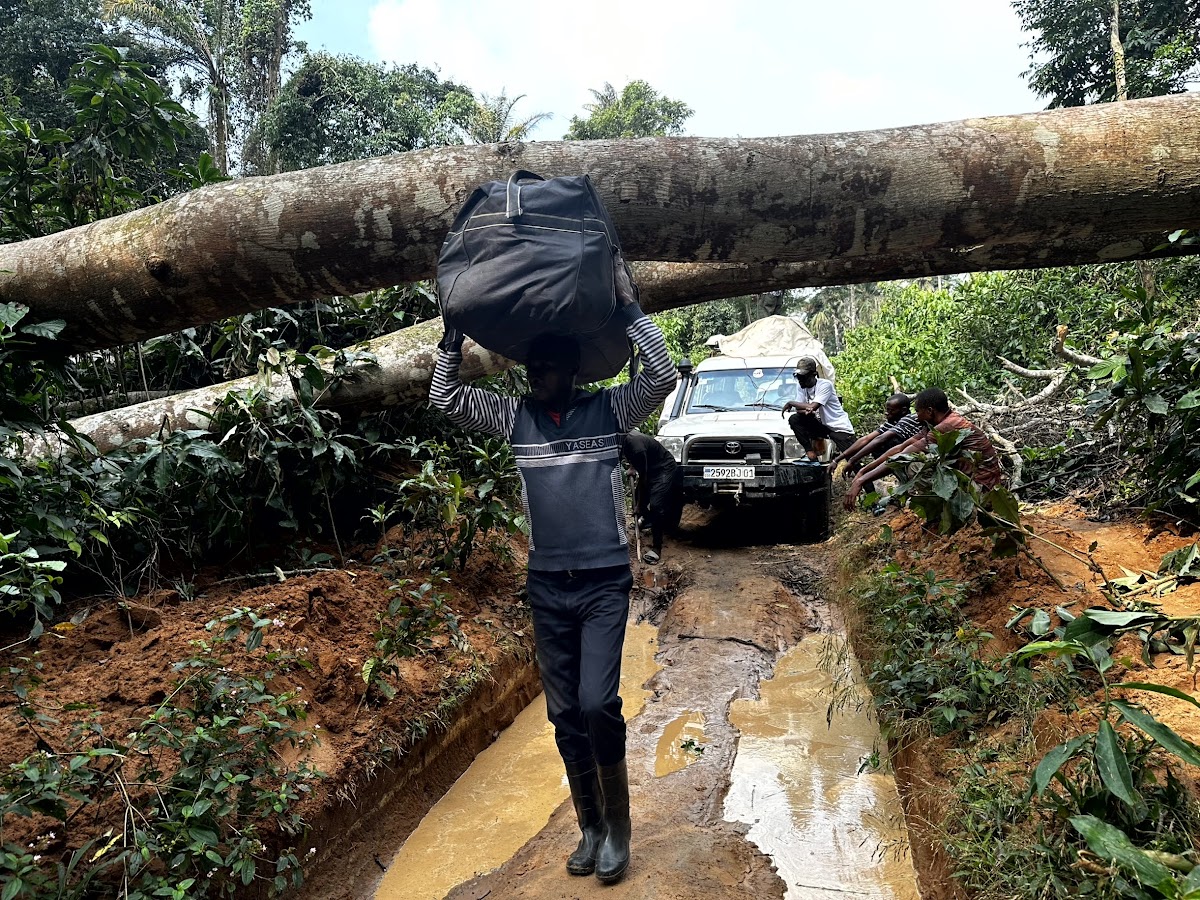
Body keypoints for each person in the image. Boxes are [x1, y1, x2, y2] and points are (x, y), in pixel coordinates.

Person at [429, 254, 674, 886]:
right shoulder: (516, 419)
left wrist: (626, 307)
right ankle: (590, 828)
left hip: (602, 584)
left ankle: (619, 831)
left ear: (572, 371)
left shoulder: (609, 413)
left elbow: (663, 375)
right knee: (564, 713)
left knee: (598, 702)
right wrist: (452, 334)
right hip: (547, 588)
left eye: (550, 367)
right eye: (532, 367)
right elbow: (444, 395)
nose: (539, 376)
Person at [843, 387, 1004, 510]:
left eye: (918, 411)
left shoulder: (947, 426)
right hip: (973, 483)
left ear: (929, 411)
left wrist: (862, 481)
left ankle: (953, 507)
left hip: (981, 491)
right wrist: (862, 474)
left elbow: (903, 455)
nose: (916, 416)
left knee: (913, 465)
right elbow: (901, 447)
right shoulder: (935, 424)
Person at [620, 431, 683, 565]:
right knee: (638, 500)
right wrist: (632, 467)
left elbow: (644, 479)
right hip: (650, 466)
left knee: (656, 506)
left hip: (664, 468)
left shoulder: (636, 447)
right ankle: (648, 520)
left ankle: (656, 547)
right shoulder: (620, 440)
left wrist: (638, 506)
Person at [781, 357, 856, 465]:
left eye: (803, 377)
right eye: (798, 377)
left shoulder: (825, 385)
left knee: (853, 461)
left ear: (814, 374)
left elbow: (812, 407)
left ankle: (865, 479)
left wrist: (791, 403)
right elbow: (800, 409)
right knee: (795, 419)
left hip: (838, 428)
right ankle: (810, 453)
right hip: (822, 426)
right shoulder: (801, 386)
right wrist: (806, 411)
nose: (800, 380)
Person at [833, 393, 923, 480]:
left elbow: (880, 439)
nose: (887, 413)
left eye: (891, 411)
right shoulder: (892, 423)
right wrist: (837, 460)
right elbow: (866, 439)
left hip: (917, 455)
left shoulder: (908, 420)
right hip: (905, 454)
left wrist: (852, 460)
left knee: (883, 444)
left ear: (903, 410)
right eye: (887, 410)